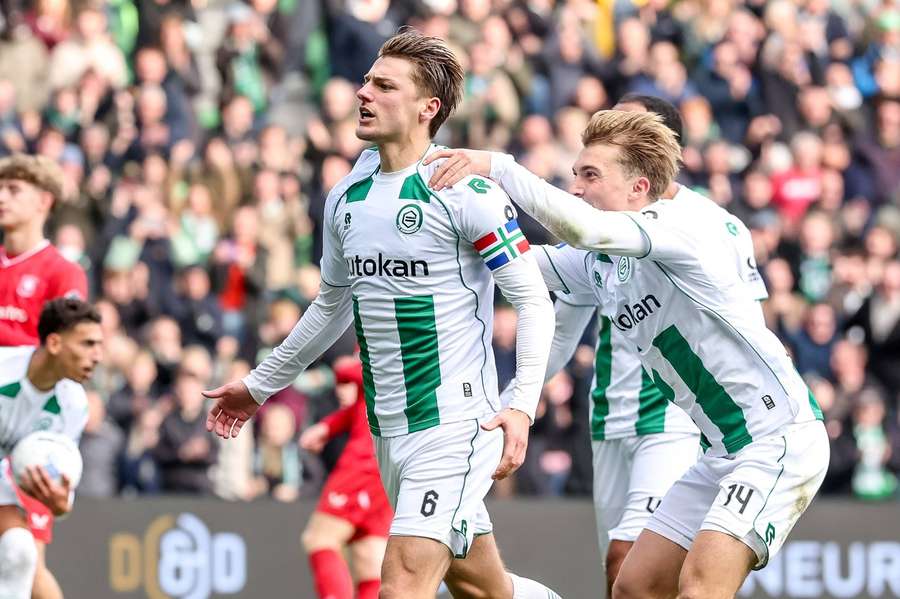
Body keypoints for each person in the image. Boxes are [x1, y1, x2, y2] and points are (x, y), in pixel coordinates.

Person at [206, 28, 561, 599]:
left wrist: (520, 406)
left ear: (428, 108)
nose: (363, 92)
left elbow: (533, 301)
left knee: (398, 586)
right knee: (484, 590)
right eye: (367, 80)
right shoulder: (347, 196)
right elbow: (330, 306)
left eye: (385, 86)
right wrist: (259, 386)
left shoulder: (465, 192)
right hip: (387, 431)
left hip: (456, 426)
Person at [425, 110, 828, 598]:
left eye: (591, 176)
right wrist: (444, 231)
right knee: (634, 586)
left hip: (778, 437)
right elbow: (519, 261)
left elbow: (584, 229)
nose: (576, 188)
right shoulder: (601, 261)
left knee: (701, 588)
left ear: (639, 188)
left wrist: (500, 167)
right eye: (575, 174)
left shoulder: (678, 227)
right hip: (723, 449)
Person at [500, 94, 768, 596]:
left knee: (628, 558)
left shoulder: (711, 224)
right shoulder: (601, 237)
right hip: (608, 412)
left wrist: (498, 168)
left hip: (674, 417)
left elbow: (749, 326)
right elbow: (564, 325)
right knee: (624, 580)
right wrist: (517, 403)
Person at [0, 153, 89, 599]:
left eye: (14, 190)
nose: (1, 197)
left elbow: (69, 350)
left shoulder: (61, 272)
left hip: (29, 426)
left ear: (44, 201)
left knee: (26, 559)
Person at [0, 298, 102, 599]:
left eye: (99, 345)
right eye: (87, 344)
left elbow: (59, 468)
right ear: (55, 343)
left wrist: (61, 502)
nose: (97, 356)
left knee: (20, 550)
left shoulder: (74, 404)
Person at [299, 356, 391, 599]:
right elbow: (362, 406)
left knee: (320, 538)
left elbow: (350, 370)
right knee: (369, 557)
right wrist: (327, 427)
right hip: (386, 471)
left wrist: (348, 364)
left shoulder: (378, 346)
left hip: (362, 466)